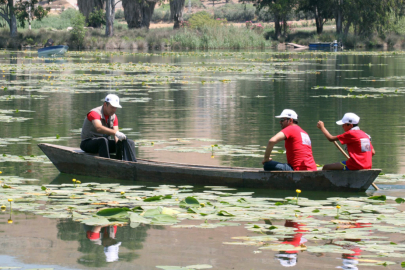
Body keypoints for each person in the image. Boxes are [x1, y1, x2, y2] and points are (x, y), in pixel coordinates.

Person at [80, 94, 127, 158]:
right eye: (112, 107)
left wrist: (119, 143)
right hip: (87, 143)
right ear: (105, 104)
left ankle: (126, 162)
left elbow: (116, 136)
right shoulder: (94, 113)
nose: (114, 110)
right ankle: (107, 164)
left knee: (127, 143)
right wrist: (115, 133)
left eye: (115, 108)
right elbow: (99, 128)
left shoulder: (114, 116)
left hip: (104, 145)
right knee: (103, 141)